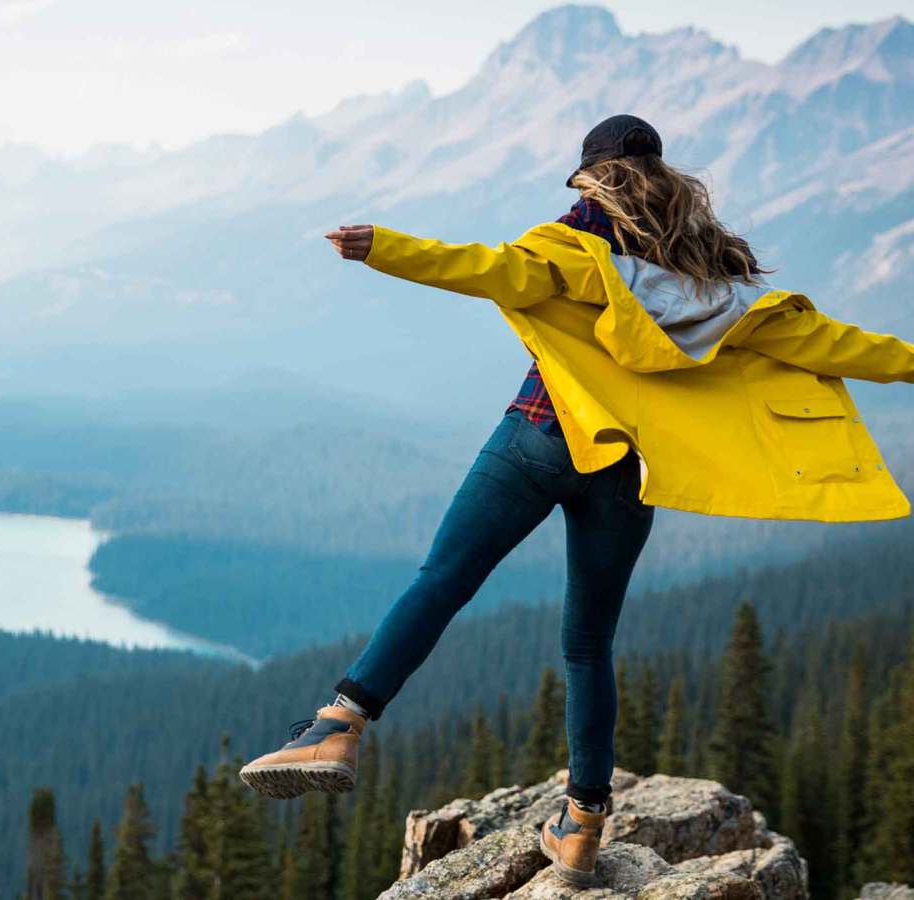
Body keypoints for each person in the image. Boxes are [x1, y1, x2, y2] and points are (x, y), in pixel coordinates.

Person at [238, 114, 914, 886]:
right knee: (589, 644)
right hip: (625, 470)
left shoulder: (570, 246)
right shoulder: (710, 279)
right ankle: (584, 821)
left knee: (442, 580)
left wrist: (381, 247)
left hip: (539, 435)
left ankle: (337, 727)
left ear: (591, 176)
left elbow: (485, 268)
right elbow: (827, 342)